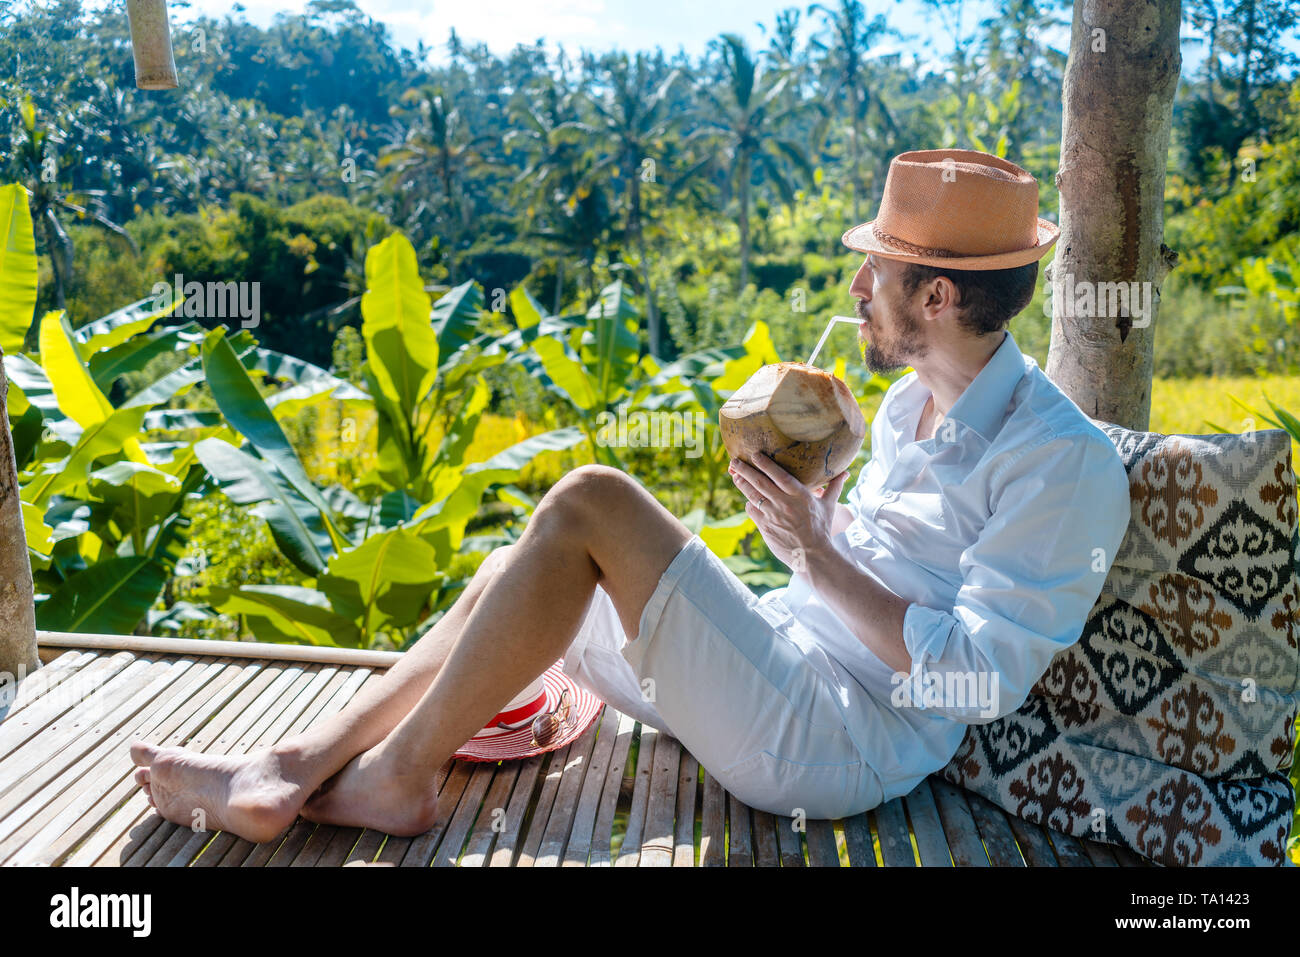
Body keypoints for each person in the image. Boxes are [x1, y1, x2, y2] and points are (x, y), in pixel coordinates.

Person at [129, 148, 1132, 842]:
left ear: (937, 297)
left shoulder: (1059, 462)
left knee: (592, 499)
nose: (854, 291)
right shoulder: (909, 403)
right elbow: (855, 578)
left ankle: (394, 777)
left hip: (838, 743)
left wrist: (818, 553)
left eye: (873, 271)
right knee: (512, 570)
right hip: (786, 659)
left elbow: (977, 683)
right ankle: (293, 766)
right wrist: (808, 525)